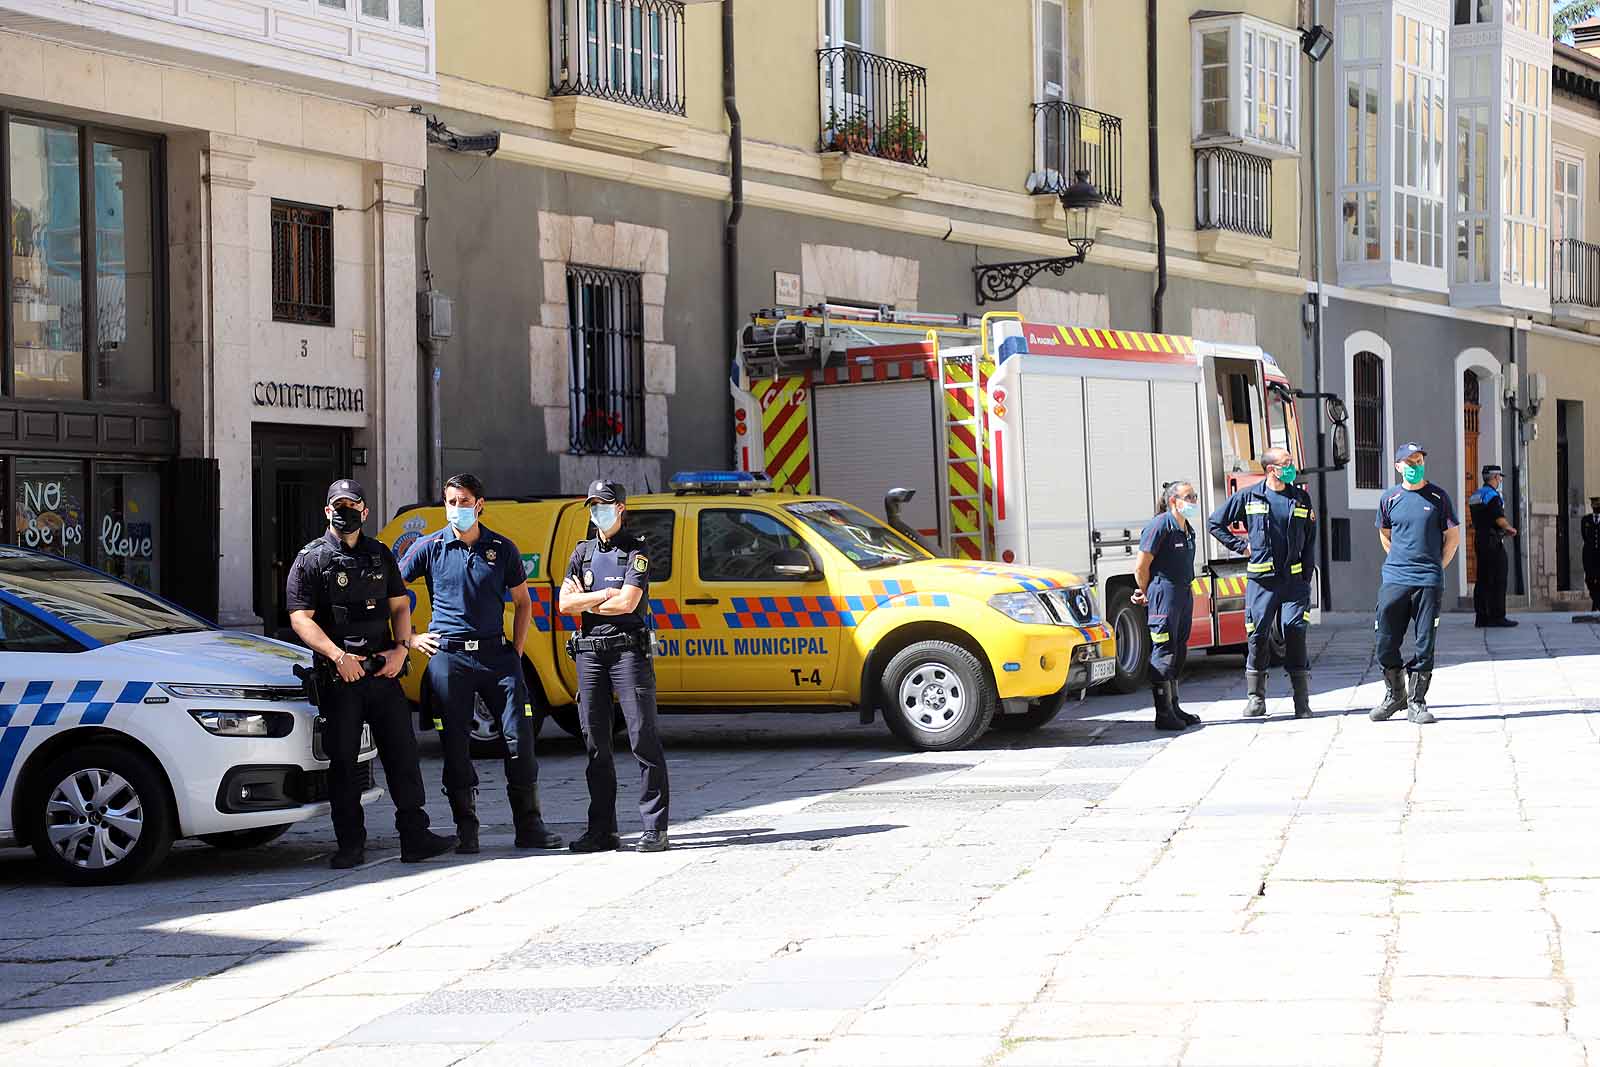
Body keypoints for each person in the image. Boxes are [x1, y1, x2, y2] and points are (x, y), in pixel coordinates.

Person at [286, 479, 456, 869]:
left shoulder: (379, 554)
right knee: (344, 763)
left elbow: (399, 606)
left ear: (365, 511)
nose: (345, 511)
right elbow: (300, 619)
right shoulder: (311, 559)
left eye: (352, 504)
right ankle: (350, 844)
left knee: (403, 757)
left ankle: (416, 836)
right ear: (328, 511)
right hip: (340, 678)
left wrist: (401, 648)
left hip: (382, 672)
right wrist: (336, 654)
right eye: (337, 505)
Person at [402, 473, 563, 854]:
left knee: (519, 739)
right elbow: (392, 589)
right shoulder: (430, 547)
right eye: (450, 501)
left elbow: (523, 602)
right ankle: (467, 830)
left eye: (464, 501)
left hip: (496, 655)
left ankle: (529, 826)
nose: (456, 508)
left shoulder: (501, 548)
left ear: (479, 505)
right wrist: (409, 638)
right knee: (455, 746)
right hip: (449, 657)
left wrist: (517, 651)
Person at [558, 480, 670, 854]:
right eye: (592, 505)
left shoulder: (636, 550)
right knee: (595, 745)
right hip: (590, 654)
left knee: (643, 740)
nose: (597, 511)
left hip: (627, 654)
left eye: (604, 504)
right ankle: (602, 830)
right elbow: (562, 605)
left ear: (621, 507)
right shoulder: (582, 552)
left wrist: (586, 601)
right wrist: (603, 595)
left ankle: (655, 829)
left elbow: (627, 603)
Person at [1207, 447, 1318, 720]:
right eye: (1286, 463)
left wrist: (1306, 577)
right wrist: (1240, 545)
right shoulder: (1250, 496)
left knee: (1295, 631)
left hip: (1293, 582)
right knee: (1257, 635)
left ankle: (1301, 702)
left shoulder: (1300, 498)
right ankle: (1256, 699)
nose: (1292, 467)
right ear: (1271, 469)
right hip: (1262, 582)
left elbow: (1311, 539)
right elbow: (1215, 523)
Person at [1370, 442, 1461, 726]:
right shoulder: (1390, 498)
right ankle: (1395, 694)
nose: (1414, 466)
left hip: (1428, 581)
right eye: (1409, 462)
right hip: (1395, 579)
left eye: (1419, 460)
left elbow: (1453, 538)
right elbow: (1385, 533)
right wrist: (1398, 560)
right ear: (1398, 467)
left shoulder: (1438, 497)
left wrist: (1435, 567)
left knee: (1425, 644)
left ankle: (1417, 702)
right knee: (1384, 640)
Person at [1133, 481, 1202, 732]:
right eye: (1188, 496)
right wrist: (1146, 591)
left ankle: (1174, 706)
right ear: (1173, 500)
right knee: (1164, 649)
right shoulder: (1160, 525)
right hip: (1164, 592)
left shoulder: (1186, 527)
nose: (1194, 500)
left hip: (1183, 593)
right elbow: (1141, 566)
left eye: (1194, 495)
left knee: (1178, 649)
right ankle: (1163, 713)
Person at [1467, 464, 1518, 628]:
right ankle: (1497, 616)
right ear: (1495, 477)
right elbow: (1498, 518)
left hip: (1479, 540)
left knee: (1482, 578)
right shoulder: (1493, 496)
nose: (1500, 480)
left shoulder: (1476, 495)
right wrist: (1510, 528)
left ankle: (1482, 617)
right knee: (1498, 577)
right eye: (1500, 477)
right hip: (1492, 541)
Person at [1583, 496, 1600, 612]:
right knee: (1589, 580)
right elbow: (1584, 536)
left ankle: (1596, 605)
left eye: (1598, 506)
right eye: (1594, 506)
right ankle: (1597, 602)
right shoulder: (1585, 520)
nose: (1596, 508)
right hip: (1589, 555)